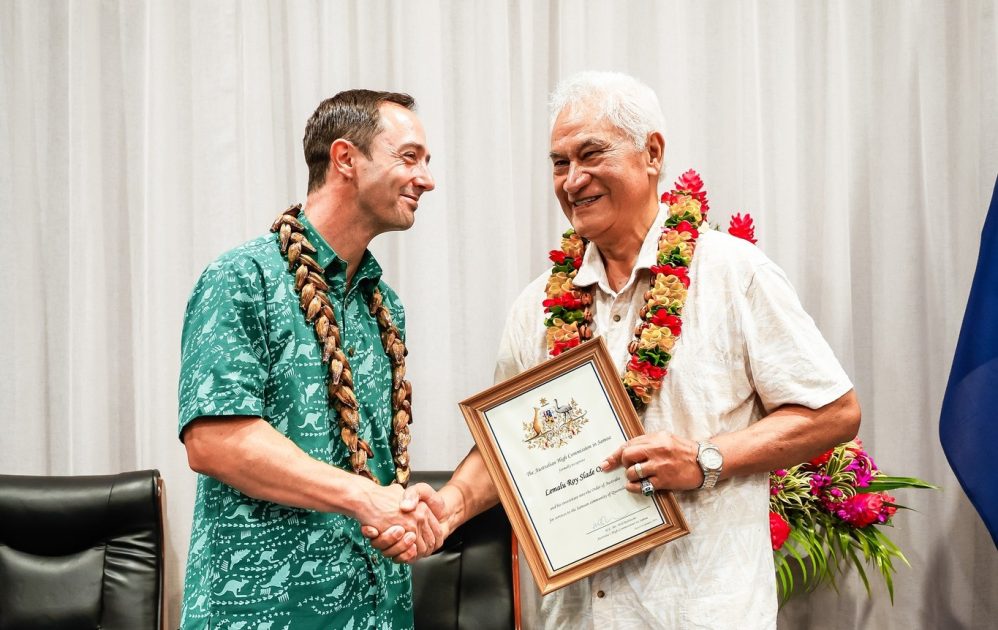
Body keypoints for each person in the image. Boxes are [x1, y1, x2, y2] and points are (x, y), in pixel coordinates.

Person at [368, 71, 861, 629]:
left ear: (652, 153)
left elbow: (834, 412)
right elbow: (507, 449)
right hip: (576, 617)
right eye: (559, 163)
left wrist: (704, 461)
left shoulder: (733, 275)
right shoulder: (536, 307)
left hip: (699, 611)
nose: (573, 180)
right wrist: (450, 505)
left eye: (591, 155)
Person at [177, 89, 443, 630]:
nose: (426, 179)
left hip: (375, 612)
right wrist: (365, 499)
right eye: (409, 157)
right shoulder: (243, 279)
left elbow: (370, 468)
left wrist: (407, 512)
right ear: (346, 159)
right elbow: (214, 441)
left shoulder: (383, 306)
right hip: (261, 612)